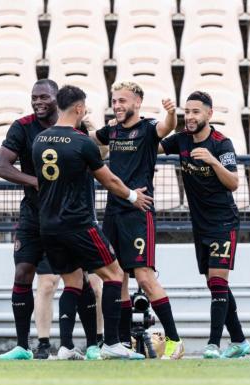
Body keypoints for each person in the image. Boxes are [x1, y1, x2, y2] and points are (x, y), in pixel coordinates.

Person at [32, 84, 152, 360]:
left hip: (48, 225)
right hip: (78, 223)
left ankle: (65, 347)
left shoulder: (40, 140)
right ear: (78, 108)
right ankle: (111, 342)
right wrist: (133, 195)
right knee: (115, 274)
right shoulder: (81, 141)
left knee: (72, 282)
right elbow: (108, 179)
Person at [0, 79, 102, 360]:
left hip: (68, 216)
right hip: (34, 215)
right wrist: (36, 181)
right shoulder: (23, 126)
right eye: (34, 97)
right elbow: (1, 166)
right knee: (23, 273)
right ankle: (22, 346)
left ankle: (91, 344)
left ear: (58, 100)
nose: (38, 102)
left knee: (79, 278)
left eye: (44, 97)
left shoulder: (75, 129)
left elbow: (96, 163)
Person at [88, 81, 185, 359]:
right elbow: (94, 138)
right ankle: (122, 344)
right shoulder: (113, 131)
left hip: (139, 213)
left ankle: (174, 341)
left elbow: (166, 128)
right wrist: (83, 125)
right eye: (114, 100)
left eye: (122, 101)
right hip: (114, 213)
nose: (117, 105)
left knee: (144, 275)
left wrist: (172, 114)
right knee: (117, 278)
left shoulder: (147, 128)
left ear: (137, 102)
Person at [159, 91, 250, 359]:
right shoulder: (182, 140)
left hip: (224, 223)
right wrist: (167, 117)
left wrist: (212, 162)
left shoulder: (222, 144)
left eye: (195, 112)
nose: (189, 117)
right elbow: (152, 147)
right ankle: (240, 340)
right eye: (186, 112)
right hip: (200, 225)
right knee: (214, 283)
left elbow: (233, 183)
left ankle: (213, 344)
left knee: (219, 282)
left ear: (209, 114)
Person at [33, 258, 104, 359]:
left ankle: (96, 341)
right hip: (50, 243)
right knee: (47, 284)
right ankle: (46, 345)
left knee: (92, 285)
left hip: (81, 243)